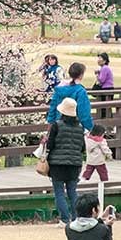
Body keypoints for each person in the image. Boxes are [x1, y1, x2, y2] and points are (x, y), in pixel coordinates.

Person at [45, 95, 86, 223]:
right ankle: (76, 218)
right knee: (72, 192)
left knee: (59, 192)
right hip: (74, 164)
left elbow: (50, 144)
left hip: (57, 164)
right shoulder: (80, 127)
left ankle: (64, 219)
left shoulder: (57, 125)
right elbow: (82, 147)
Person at [48, 62, 95, 132]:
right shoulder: (80, 91)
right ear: (81, 75)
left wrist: (51, 123)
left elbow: (53, 107)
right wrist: (90, 128)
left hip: (59, 126)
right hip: (76, 128)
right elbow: (84, 113)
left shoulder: (59, 90)